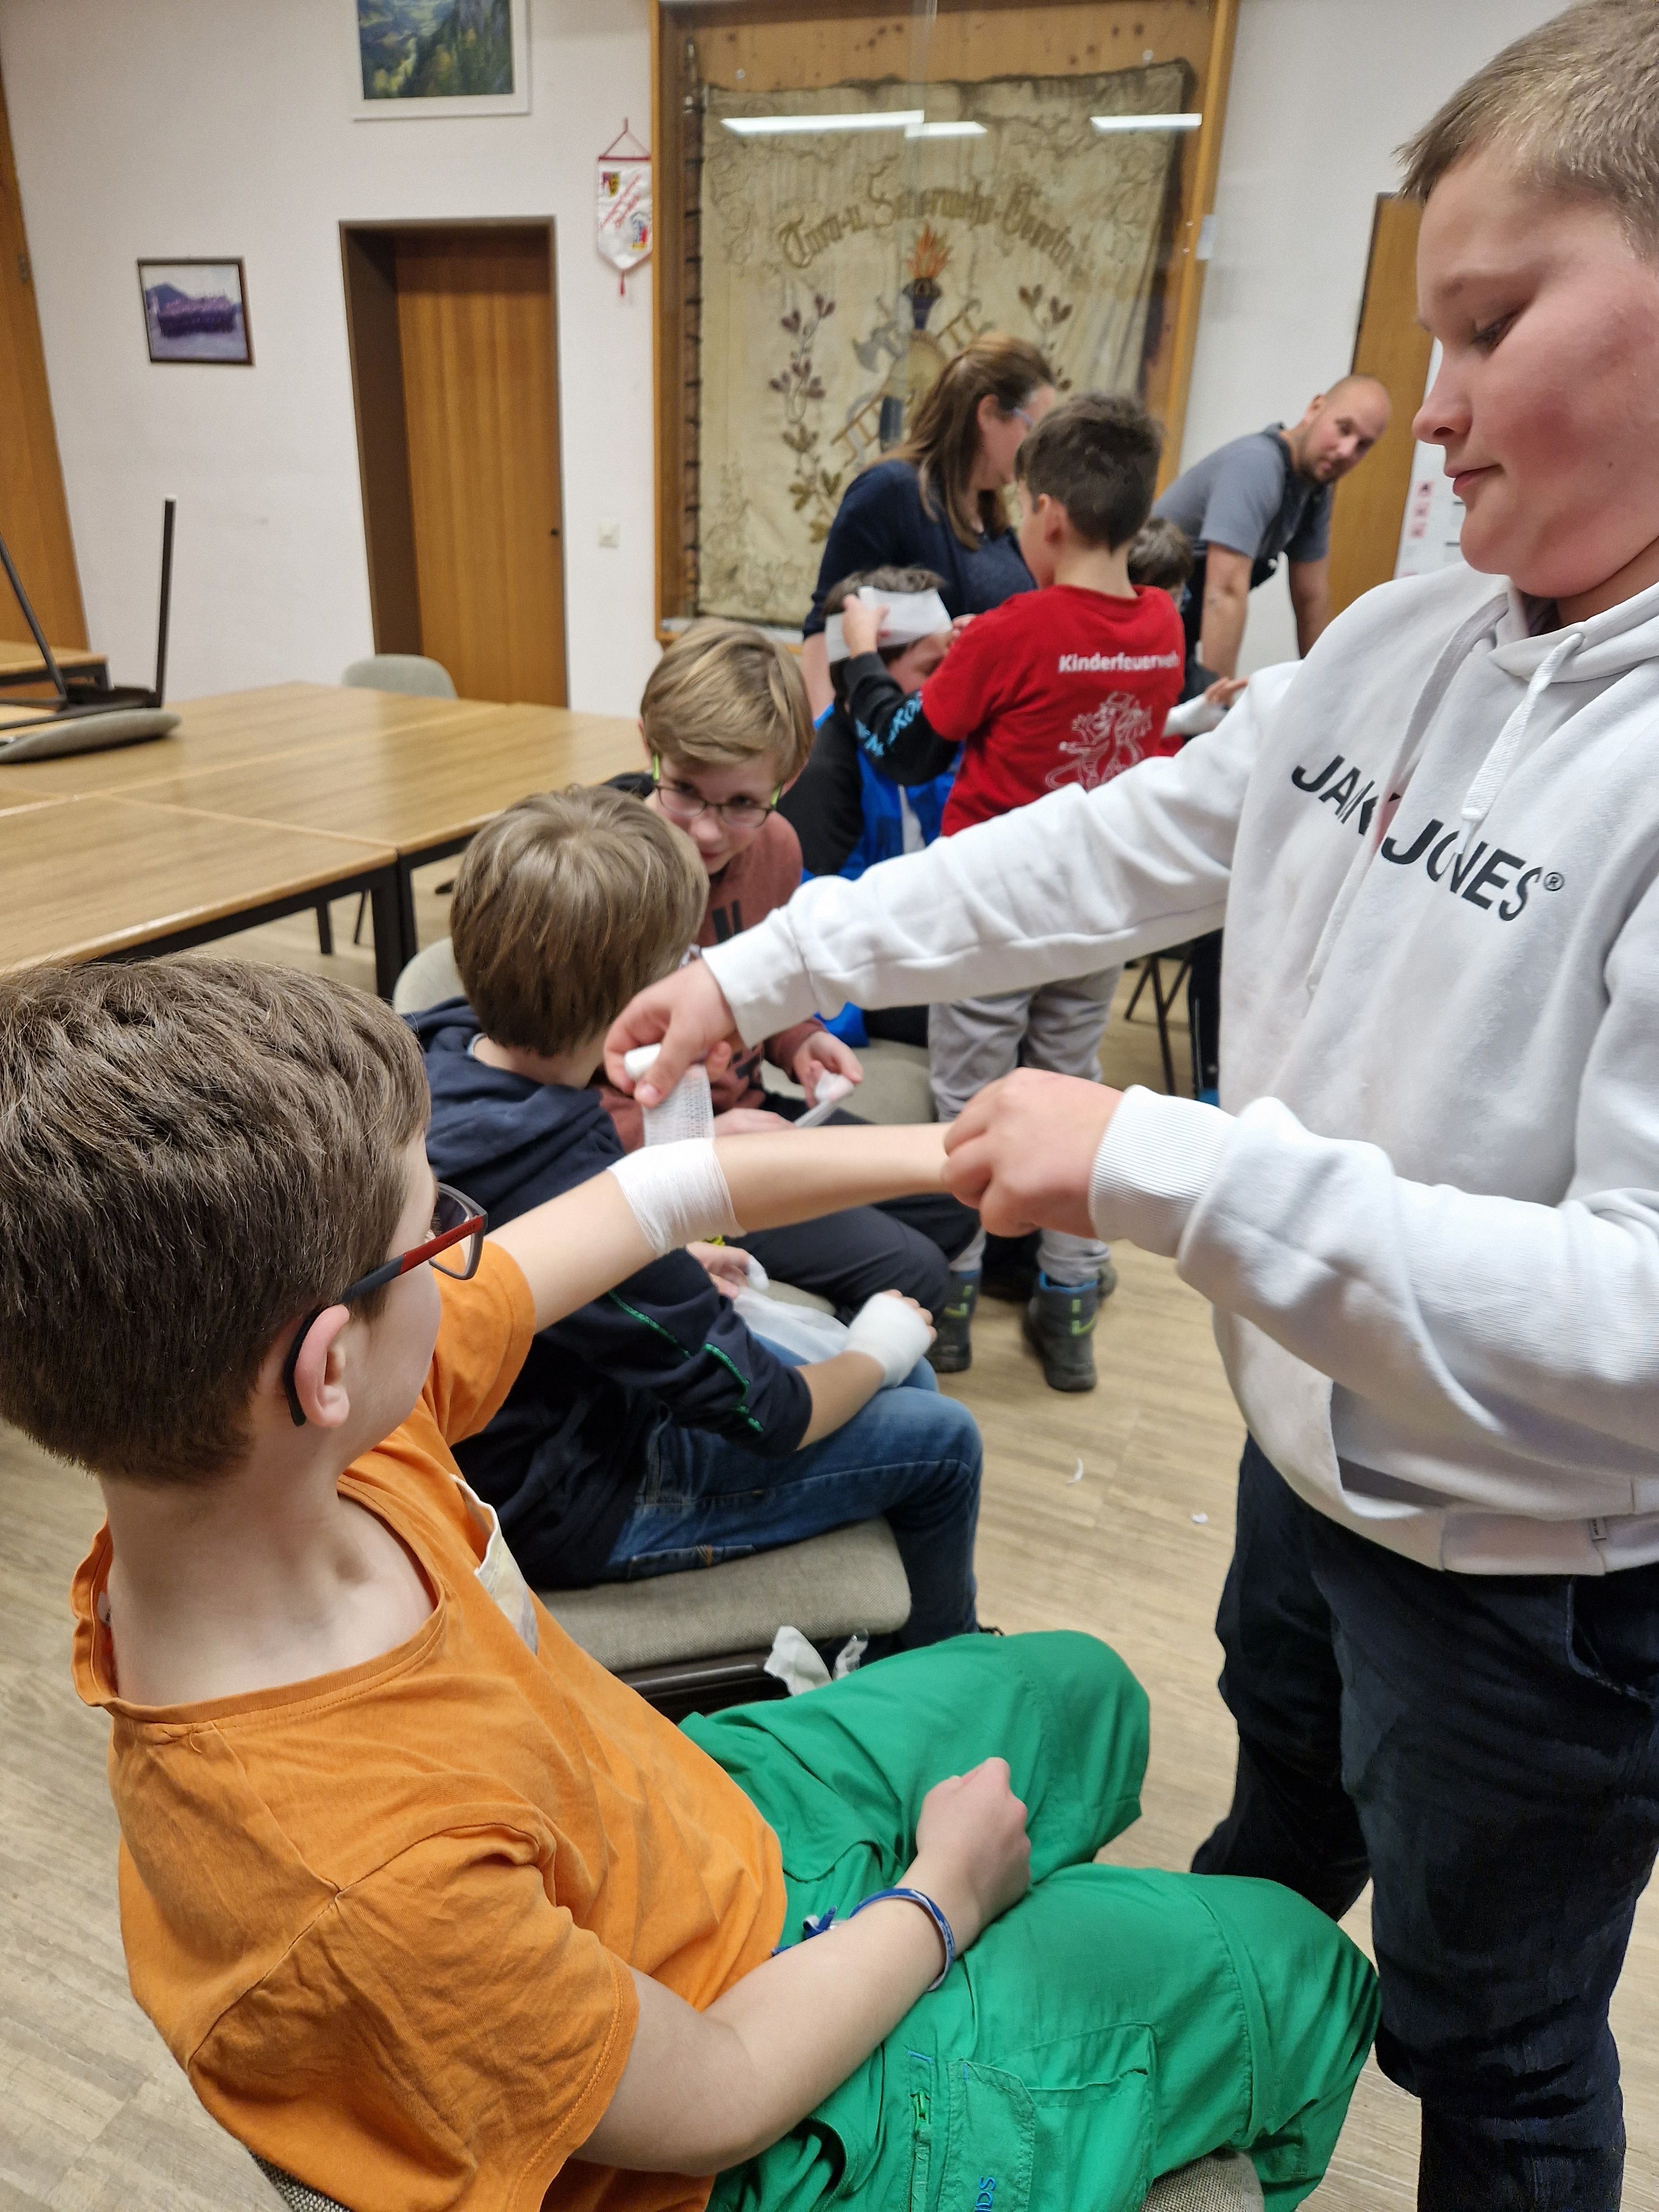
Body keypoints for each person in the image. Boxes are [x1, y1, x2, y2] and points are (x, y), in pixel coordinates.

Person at [606, 6, 1659, 2197]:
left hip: (1533, 1580)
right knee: (1284, 1803)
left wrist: (1168, 1164)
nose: (1432, 405)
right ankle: (1227, 2039)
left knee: (1495, 2042)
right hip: (1315, 1460)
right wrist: (754, 964)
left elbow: (1636, 1317)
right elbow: (1104, 848)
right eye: (1431, 334)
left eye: (1493, 325)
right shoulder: (1404, 641)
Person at [8, 958, 1380, 2211]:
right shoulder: (357, 1880)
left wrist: (966, 1154)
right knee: (1302, 1972)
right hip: (734, 2114)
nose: (469, 1247)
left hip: (677, 1827)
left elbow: (653, 1195)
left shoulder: (303, 1450)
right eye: (439, 1230)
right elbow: (721, 2090)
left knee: (1084, 1691)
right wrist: (945, 1896)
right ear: (324, 1364)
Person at [414, 784, 983, 1647]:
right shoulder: (565, 1170)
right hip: (570, 1498)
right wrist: (875, 1349)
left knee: (908, 1382)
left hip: (533, 1426)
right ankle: (949, 1670)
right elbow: (775, 1414)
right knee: (943, 1437)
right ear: (645, 999)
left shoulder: (433, 1045)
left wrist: (664, 1270)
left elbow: (575, 1292)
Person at [831, 395, 1185, 1387]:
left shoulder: (1014, 630)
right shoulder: (1162, 623)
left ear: (1048, 516)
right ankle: (1068, 1299)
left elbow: (903, 750)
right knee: (1074, 1091)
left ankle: (948, 1300)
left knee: (970, 1097)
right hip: (1102, 909)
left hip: (993, 909)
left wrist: (860, 657)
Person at [606, 618, 980, 1316]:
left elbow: (759, 987)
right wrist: (700, 1143)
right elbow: (554, 1097)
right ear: (649, 748)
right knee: (917, 1269)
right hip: (655, 1158)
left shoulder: (775, 847)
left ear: (789, 780)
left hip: (749, 1117)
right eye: (684, 789)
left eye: (743, 803)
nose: (708, 830)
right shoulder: (599, 879)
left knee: (956, 1189)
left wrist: (798, 1039)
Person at [798, 334, 1055, 717]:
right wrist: (820, 740)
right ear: (988, 413)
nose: (1038, 450)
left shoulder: (993, 518)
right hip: (902, 738)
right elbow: (828, 629)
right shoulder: (891, 491)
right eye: (1033, 430)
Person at [1152, 375, 1392, 685]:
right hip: (1124, 632)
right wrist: (1218, 704)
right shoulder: (1257, 465)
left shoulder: (1314, 492)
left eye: (1363, 445)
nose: (1347, 451)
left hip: (1171, 639)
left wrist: (1324, 691)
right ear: (1315, 408)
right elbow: (1224, 593)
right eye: (1343, 429)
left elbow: (1311, 600)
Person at [778, 566, 956, 891]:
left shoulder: (942, 738)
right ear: (868, 673)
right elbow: (825, 908)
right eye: (932, 670)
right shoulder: (821, 775)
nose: (947, 685)